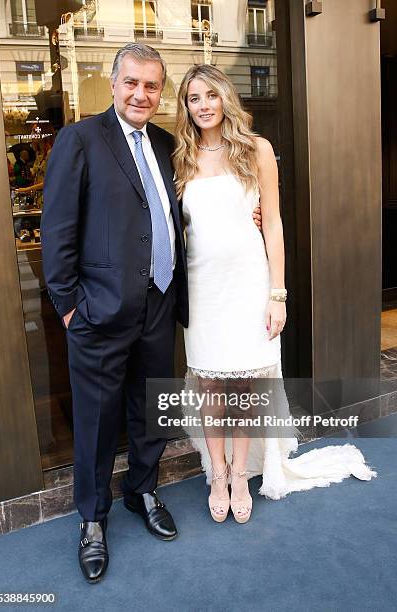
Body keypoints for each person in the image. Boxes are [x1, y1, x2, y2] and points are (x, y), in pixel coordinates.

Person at [173, 64, 377, 525]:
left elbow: (276, 225)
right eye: (192, 98)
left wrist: (278, 293)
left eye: (210, 95)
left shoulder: (256, 150)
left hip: (249, 285)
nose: (203, 105)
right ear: (185, 107)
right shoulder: (181, 157)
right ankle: (218, 474)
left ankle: (242, 475)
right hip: (202, 290)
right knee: (209, 385)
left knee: (244, 384)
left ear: (225, 97)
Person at [41, 43, 190, 584]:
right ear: (113, 83)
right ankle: (92, 520)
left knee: (150, 410)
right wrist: (68, 308)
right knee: (97, 422)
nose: (141, 94)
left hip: (159, 302)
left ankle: (142, 492)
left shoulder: (168, 144)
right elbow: (55, 233)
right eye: (132, 82)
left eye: (151, 86)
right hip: (98, 313)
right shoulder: (79, 140)